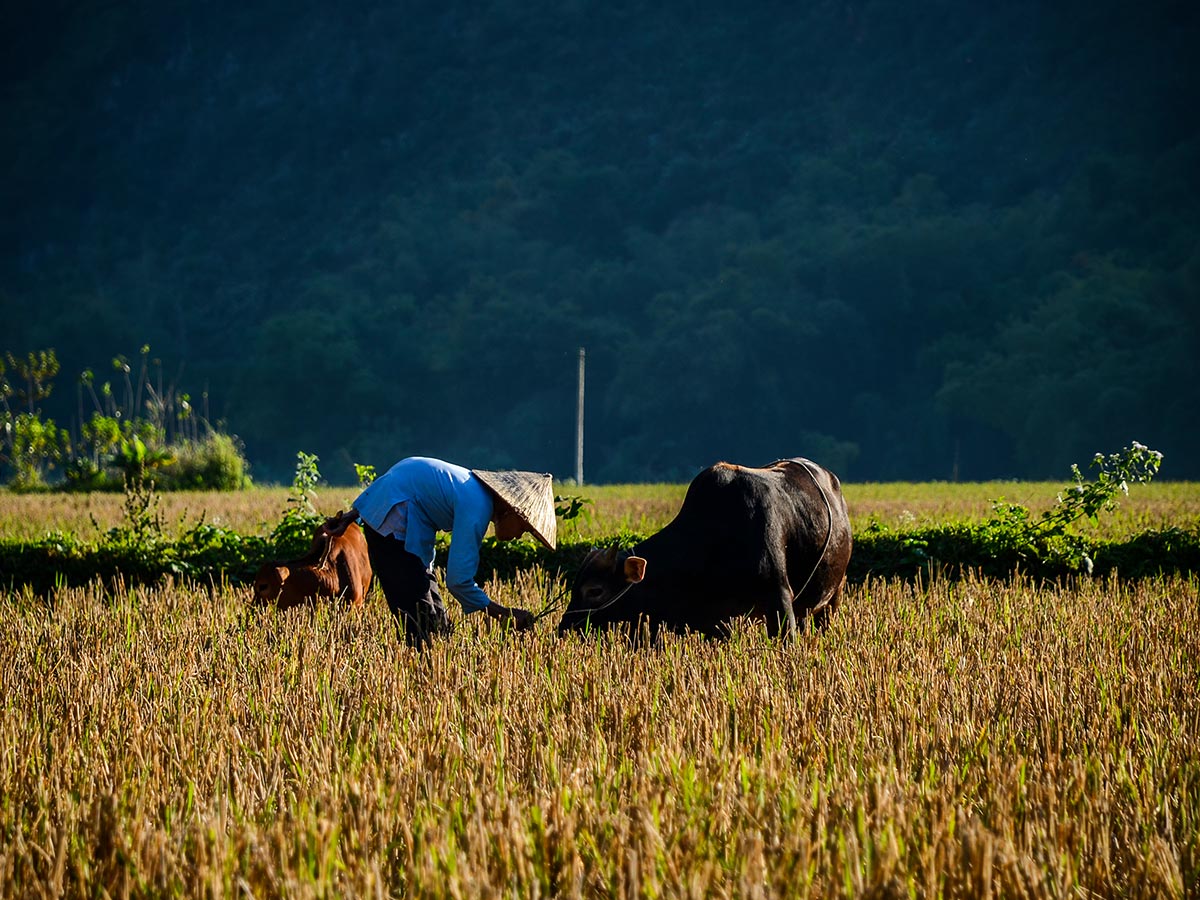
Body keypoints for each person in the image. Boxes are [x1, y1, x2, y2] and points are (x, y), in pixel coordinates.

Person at [321, 456, 556, 647]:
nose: (518, 535)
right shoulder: (477, 507)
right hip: (394, 528)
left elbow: (402, 480)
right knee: (422, 625)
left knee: (438, 621)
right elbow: (458, 581)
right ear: (511, 511)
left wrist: (355, 514)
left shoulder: (473, 492)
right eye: (523, 528)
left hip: (404, 523)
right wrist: (503, 613)